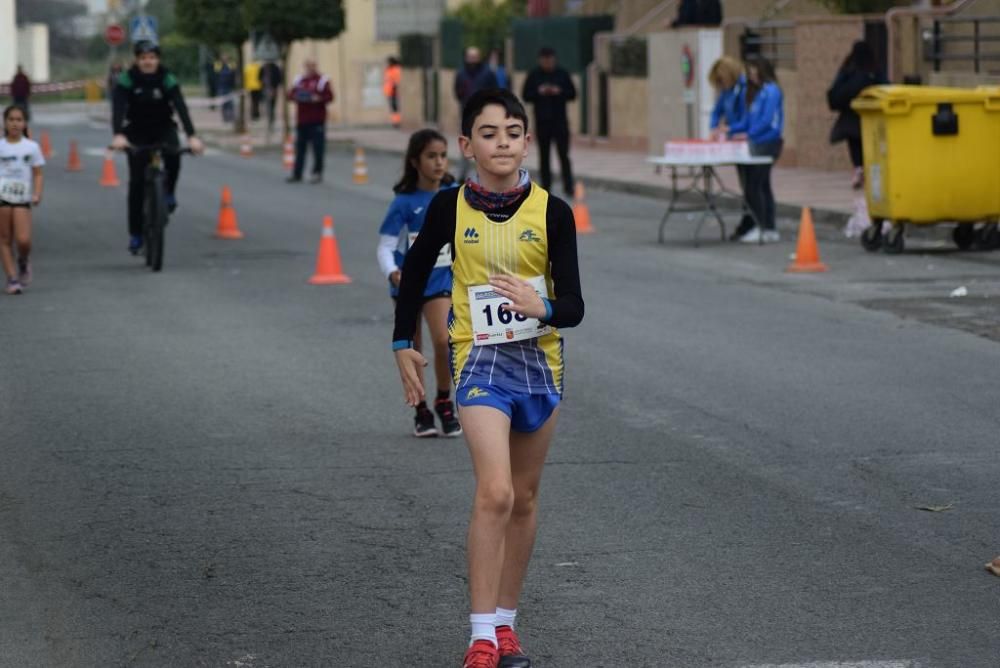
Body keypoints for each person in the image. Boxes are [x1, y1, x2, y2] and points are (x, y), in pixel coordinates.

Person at [392, 88, 584, 668]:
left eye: (512, 132)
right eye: (489, 133)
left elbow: (574, 304)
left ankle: (505, 626)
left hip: (539, 367)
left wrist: (541, 305)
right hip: (479, 364)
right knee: (495, 490)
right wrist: (404, 344)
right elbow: (416, 271)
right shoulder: (449, 207)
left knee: (524, 499)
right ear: (466, 145)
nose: (502, 143)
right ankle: (479, 637)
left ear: (527, 140)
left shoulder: (553, 211)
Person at [376, 129, 461, 437]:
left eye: (442, 155)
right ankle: (421, 409)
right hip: (408, 282)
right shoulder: (404, 203)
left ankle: (443, 400)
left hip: (440, 280)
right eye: (431, 156)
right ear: (415, 162)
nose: (439, 163)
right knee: (414, 347)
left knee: (444, 339)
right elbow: (385, 246)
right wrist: (391, 272)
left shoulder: (454, 193)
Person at [111, 40, 205, 255]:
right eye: (143, 58)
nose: (148, 62)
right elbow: (118, 107)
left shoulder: (167, 78)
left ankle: (169, 192)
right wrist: (118, 134)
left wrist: (192, 136)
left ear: (158, 59)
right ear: (137, 60)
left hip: (163, 128)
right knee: (136, 184)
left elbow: (180, 106)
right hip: (136, 132)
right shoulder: (127, 79)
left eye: (152, 58)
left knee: (174, 154)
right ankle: (135, 234)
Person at [728, 56, 784, 244]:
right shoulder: (755, 93)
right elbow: (748, 120)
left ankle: (761, 226)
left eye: (754, 70)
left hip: (767, 142)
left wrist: (749, 134)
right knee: (762, 185)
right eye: (749, 70)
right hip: (756, 141)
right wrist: (731, 129)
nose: (751, 74)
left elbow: (767, 120)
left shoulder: (771, 91)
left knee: (754, 186)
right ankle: (768, 227)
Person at [707, 56, 754, 240]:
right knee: (744, 183)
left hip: (744, 138)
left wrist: (730, 128)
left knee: (752, 185)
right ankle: (747, 221)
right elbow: (717, 111)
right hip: (734, 139)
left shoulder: (744, 90)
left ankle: (751, 221)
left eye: (721, 80)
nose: (721, 84)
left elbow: (746, 118)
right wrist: (714, 126)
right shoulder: (726, 92)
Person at [828, 41, 886, 189]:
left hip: (850, 118)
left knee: (855, 145)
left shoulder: (848, 69)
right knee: (870, 145)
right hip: (870, 116)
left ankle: (858, 169)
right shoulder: (873, 70)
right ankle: (870, 171)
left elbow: (835, 89)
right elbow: (886, 86)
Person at [0, 105, 43, 295]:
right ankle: (12, 278)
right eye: (11, 119)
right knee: (4, 238)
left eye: (19, 120)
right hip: (2, 196)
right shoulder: (1, 146)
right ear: (5, 122)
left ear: (24, 123)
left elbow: (38, 173)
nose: (15, 123)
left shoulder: (32, 147)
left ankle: (23, 261)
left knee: (23, 239)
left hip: (22, 197)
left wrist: (37, 193)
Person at [522, 47, 576, 195]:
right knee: (544, 156)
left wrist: (559, 91)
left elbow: (572, 94)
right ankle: (546, 187)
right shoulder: (534, 75)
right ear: (540, 60)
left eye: (550, 60)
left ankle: (569, 186)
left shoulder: (562, 74)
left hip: (560, 121)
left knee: (564, 155)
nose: (547, 63)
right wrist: (539, 92)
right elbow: (526, 95)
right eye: (544, 60)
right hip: (542, 121)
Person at [286, 59, 334, 184]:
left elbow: (330, 97)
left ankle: (317, 173)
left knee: (318, 148)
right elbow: (290, 95)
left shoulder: (322, 81)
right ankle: (297, 174)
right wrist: (296, 97)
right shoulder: (299, 80)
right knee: (300, 149)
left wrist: (318, 99)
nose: (310, 68)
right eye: (307, 66)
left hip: (317, 120)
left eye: (312, 66)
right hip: (302, 120)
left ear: (316, 66)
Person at [454, 48, 498, 180]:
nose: (472, 59)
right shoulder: (461, 73)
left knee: (485, 145)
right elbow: (457, 91)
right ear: (466, 58)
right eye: (470, 57)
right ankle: (462, 175)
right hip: (467, 114)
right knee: (466, 144)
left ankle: (486, 175)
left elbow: (495, 91)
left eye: (475, 56)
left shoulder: (488, 73)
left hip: (484, 115)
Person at [260, 60, 283, 135]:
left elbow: (279, 78)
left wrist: (275, 88)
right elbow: (259, 77)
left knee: (272, 104)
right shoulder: (263, 68)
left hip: (274, 89)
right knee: (267, 103)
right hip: (265, 88)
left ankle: (272, 118)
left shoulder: (275, 68)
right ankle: (268, 117)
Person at [216, 56, 237, 124]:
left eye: (225, 58)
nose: (224, 60)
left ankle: (231, 118)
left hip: (229, 87)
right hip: (222, 87)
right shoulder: (219, 66)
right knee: (224, 104)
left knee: (230, 104)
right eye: (223, 58)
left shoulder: (230, 65)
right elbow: (216, 74)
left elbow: (233, 75)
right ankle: (225, 118)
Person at [383, 56, 402, 128]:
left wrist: (395, 88)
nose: (387, 63)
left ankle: (396, 122)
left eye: (388, 62)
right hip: (389, 91)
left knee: (395, 108)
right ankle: (395, 122)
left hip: (393, 91)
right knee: (393, 108)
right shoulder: (389, 69)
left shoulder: (396, 69)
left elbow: (396, 80)